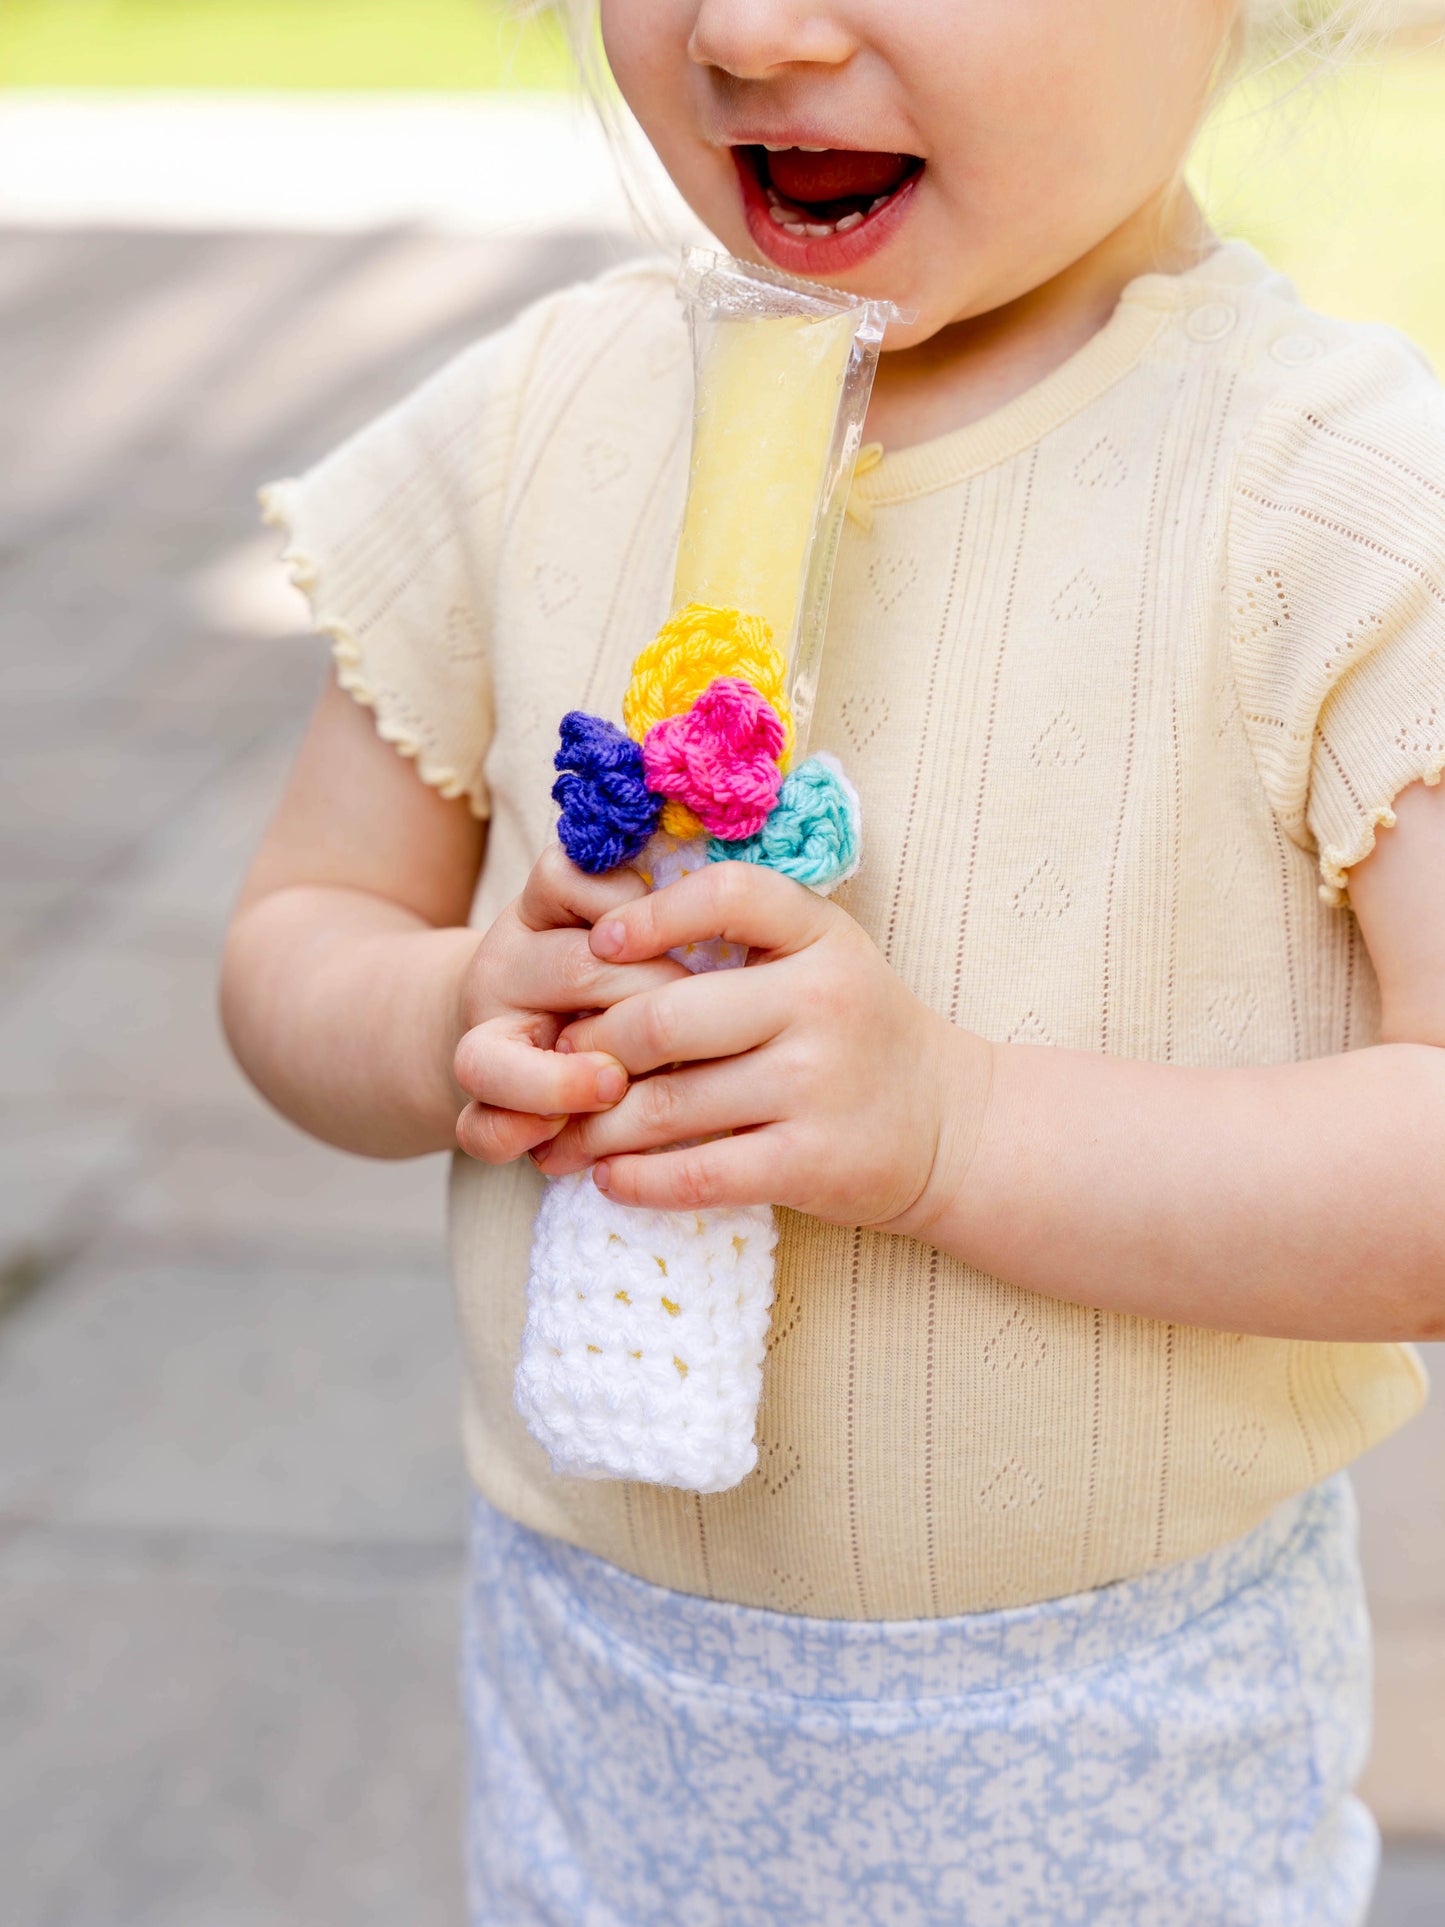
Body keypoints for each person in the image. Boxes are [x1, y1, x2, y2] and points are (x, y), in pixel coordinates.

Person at [221, 1, 1445, 1919]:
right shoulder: (540, 422)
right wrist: (442, 1013)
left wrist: (961, 1131)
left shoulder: (1336, 505)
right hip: (599, 1704)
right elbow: (301, 932)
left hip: (1110, 1750)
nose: (749, 28)